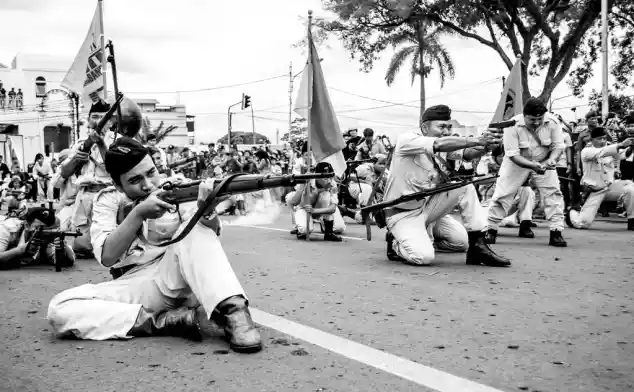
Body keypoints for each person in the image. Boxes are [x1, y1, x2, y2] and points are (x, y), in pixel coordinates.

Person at [46, 137, 262, 353]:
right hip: (138, 286)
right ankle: (168, 321)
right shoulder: (108, 200)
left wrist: (207, 210)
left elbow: (208, 236)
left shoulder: (178, 186)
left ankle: (235, 312)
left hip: (180, 278)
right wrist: (139, 214)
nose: (148, 185)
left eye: (151, 173)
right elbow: (108, 256)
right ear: (117, 184)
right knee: (61, 308)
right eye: (135, 180)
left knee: (195, 226)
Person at [382, 105, 510, 266]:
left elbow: (468, 154)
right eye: (441, 127)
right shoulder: (408, 140)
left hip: (428, 207)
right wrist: (478, 139)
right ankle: (396, 243)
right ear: (424, 127)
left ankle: (478, 246)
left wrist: (486, 146)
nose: (446, 131)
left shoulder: (445, 146)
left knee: (462, 241)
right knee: (423, 257)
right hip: (403, 213)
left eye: (449, 127)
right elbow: (439, 143)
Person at [485, 98, 567, 247]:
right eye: (532, 119)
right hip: (516, 162)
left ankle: (556, 232)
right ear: (524, 115)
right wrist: (532, 166)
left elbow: (558, 146)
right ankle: (490, 229)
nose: (536, 122)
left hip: (544, 161)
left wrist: (552, 160)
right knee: (503, 194)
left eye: (539, 119)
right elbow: (513, 154)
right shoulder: (512, 125)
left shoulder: (553, 123)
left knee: (553, 194)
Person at [566, 127, 634, 230]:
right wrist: (620, 144)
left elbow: (623, 155)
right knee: (583, 223)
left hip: (609, 188)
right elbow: (602, 152)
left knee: (630, 187)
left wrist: (631, 147)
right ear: (592, 139)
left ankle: (632, 220)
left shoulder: (610, 148)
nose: (602, 141)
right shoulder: (587, 151)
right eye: (599, 138)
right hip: (594, 191)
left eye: (604, 138)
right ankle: (572, 213)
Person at [288, 162, 346, 241]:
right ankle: (299, 227)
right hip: (305, 209)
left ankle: (328, 232)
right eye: (325, 178)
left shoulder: (333, 184)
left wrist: (314, 211)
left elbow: (333, 208)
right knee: (305, 230)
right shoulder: (308, 180)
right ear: (317, 176)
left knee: (339, 228)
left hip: (319, 210)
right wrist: (303, 183)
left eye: (330, 177)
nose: (329, 180)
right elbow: (294, 202)